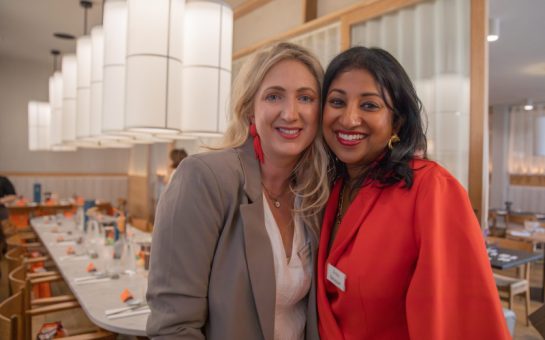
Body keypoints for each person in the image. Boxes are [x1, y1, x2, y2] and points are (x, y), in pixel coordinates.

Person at [316, 46, 510, 339]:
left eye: (369, 105)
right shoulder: (330, 188)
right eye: (337, 102)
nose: (349, 118)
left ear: (398, 121)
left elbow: (458, 320)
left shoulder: (431, 190)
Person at [146, 42, 329, 340]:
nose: (291, 112)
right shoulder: (203, 178)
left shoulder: (316, 193)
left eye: (306, 97)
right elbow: (173, 328)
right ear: (250, 110)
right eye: (274, 96)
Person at [0, 175, 16, 254]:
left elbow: (12, 196)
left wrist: (1, 200)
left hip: (1, 210)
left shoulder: (3, 180)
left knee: (6, 234)